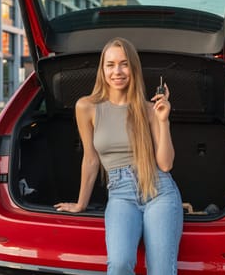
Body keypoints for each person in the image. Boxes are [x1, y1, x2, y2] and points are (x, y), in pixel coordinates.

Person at [54, 37, 183, 275]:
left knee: (162, 270)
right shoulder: (87, 107)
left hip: (159, 191)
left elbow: (165, 164)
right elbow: (91, 159)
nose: (117, 71)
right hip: (120, 194)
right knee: (119, 264)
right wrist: (81, 203)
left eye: (124, 64)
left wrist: (163, 121)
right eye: (110, 65)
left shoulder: (149, 109)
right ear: (102, 70)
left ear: (133, 68)